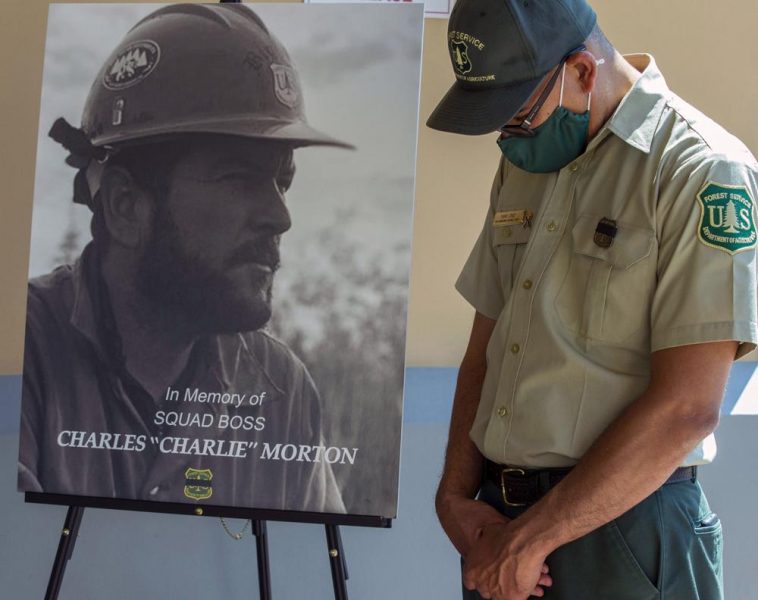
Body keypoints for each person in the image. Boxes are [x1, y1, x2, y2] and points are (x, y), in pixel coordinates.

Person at [427, 0, 757, 598]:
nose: (509, 138)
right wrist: (454, 497)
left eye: (517, 116)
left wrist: (531, 541)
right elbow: (487, 346)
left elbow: (688, 407)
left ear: (581, 71)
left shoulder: (700, 170)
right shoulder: (528, 160)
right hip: (499, 527)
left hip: (628, 533)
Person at [18, 3, 350, 513]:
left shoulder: (282, 390)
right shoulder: (24, 352)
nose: (280, 218)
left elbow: (307, 566)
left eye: (282, 182)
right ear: (127, 207)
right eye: (239, 178)